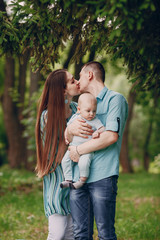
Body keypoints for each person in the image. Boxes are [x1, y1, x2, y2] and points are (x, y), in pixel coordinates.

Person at [66, 61, 128, 240]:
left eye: (79, 76)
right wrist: (69, 131)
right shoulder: (79, 106)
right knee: (80, 234)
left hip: (103, 177)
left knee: (105, 233)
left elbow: (110, 136)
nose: (77, 81)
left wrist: (78, 150)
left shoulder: (115, 100)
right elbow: (69, 135)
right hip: (78, 177)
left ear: (89, 75)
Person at [35, 69, 91, 240]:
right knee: (57, 233)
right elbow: (55, 157)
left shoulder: (77, 110)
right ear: (62, 90)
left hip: (77, 181)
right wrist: (70, 133)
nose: (77, 82)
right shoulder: (47, 117)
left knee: (72, 234)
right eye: (72, 81)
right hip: (57, 183)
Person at [60, 93, 105, 189]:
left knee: (83, 163)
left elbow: (102, 128)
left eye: (94, 111)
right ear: (79, 109)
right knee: (65, 161)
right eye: (88, 111)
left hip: (86, 149)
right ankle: (68, 179)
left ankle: (82, 181)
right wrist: (65, 136)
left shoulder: (95, 120)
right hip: (72, 147)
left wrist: (97, 132)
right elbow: (68, 128)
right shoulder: (75, 117)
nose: (91, 114)